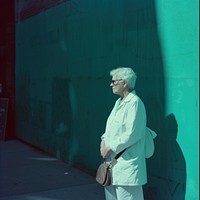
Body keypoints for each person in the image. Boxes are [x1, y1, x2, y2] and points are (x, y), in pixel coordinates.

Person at [100, 67, 147, 200]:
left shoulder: (135, 103)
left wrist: (109, 147)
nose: (111, 85)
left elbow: (132, 133)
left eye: (114, 82)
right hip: (112, 165)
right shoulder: (118, 103)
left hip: (127, 167)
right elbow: (110, 128)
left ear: (124, 83)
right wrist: (103, 141)